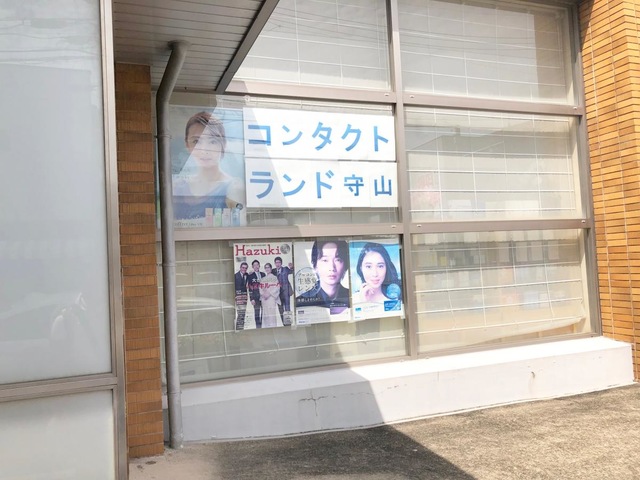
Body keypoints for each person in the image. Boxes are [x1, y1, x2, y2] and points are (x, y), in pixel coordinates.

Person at [173, 112, 243, 220]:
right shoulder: (177, 187)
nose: (204, 150)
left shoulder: (234, 187)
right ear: (187, 144)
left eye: (213, 141)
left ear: (223, 144)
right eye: (196, 141)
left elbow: (240, 224)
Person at [296, 240, 350, 312]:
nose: (332, 268)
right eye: (325, 260)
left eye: (338, 260)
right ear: (315, 265)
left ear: (345, 265)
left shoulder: (352, 298)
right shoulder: (301, 302)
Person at [259, 263, 281, 328]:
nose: (267, 269)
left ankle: (273, 328)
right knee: (265, 314)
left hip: (271, 298)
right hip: (264, 298)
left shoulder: (274, 278)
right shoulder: (263, 279)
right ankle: (266, 328)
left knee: (271, 314)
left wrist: (269, 293)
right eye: (266, 267)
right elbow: (260, 288)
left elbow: (277, 287)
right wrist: (263, 294)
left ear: (271, 268)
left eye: (268, 267)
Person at [274, 256, 293, 326]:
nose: (278, 264)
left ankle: (288, 323)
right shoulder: (273, 271)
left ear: (281, 263)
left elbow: (292, 271)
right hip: (278, 293)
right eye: (276, 263)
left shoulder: (285, 269)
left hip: (286, 291)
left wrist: (292, 267)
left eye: (279, 262)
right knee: (280, 309)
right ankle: (284, 324)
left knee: (287, 308)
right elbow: (267, 272)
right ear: (275, 263)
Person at [247, 260, 265, 328]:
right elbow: (250, 288)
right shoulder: (250, 276)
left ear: (259, 265)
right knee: (257, 313)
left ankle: (263, 326)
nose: (256, 266)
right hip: (255, 297)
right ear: (252, 267)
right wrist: (252, 299)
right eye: (254, 265)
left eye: (257, 265)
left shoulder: (263, 274)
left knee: (264, 313)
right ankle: (258, 328)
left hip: (264, 297)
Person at [234, 262, 249, 330]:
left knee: (243, 313)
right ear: (240, 268)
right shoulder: (235, 276)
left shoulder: (247, 275)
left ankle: (241, 328)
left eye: (245, 268)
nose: (244, 269)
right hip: (238, 297)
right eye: (243, 268)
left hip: (244, 297)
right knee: (240, 313)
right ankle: (238, 328)